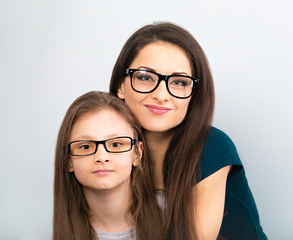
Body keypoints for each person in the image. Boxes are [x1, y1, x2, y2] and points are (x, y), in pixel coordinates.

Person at [110, 22, 267, 240]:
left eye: (178, 82)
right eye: (145, 77)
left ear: (193, 95)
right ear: (121, 85)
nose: (161, 95)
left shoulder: (213, 146)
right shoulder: (108, 149)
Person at [53, 91, 163, 240]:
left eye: (116, 144)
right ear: (68, 160)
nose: (102, 157)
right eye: (85, 146)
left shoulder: (172, 216)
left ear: (137, 154)